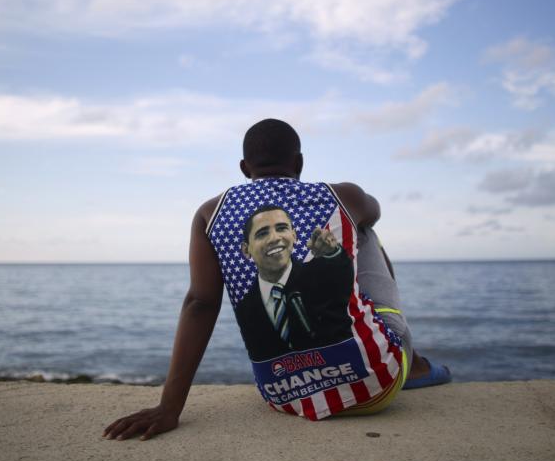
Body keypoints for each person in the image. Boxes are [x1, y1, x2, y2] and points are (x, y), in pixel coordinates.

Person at [103, 119, 449, 440]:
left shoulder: (210, 213)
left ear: (244, 168)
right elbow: (373, 211)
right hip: (379, 385)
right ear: (299, 163)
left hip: (285, 396)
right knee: (364, 230)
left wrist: (169, 408)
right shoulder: (342, 195)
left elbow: (200, 303)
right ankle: (413, 364)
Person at [235, 205, 354, 361]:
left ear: (294, 236)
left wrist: (332, 252)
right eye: (262, 233)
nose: (275, 238)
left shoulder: (321, 273)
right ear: (246, 250)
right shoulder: (245, 308)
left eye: (282, 228)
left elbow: (339, 272)